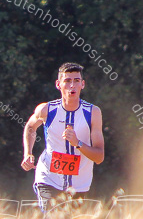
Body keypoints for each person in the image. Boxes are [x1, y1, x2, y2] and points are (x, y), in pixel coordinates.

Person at [22, 63, 106, 211]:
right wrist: (28, 153)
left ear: (83, 84)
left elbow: (99, 157)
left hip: (79, 183)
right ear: (58, 84)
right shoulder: (46, 110)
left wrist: (77, 143)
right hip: (48, 177)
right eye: (67, 81)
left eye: (76, 81)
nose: (72, 85)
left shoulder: (93, 113)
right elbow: (30, 127)